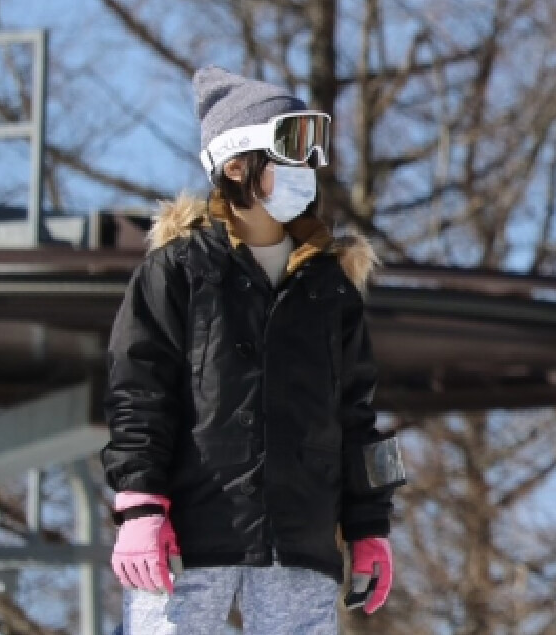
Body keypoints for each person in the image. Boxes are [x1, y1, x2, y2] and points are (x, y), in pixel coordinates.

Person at [101, 66, 400, 634]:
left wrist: (369, 525)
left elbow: (358, 416)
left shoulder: (330, 288)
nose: (308, 164)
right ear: (236, 163)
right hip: (189, 536)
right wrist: (140, 505)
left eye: (315, 147)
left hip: (299, 542)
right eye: (291, 145)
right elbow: (137, 394)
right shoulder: (178, 271)